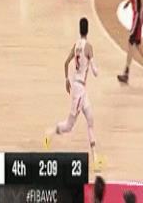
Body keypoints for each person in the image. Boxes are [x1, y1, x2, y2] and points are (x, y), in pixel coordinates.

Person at [44, 18, 102, 171]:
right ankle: (50, 133)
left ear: (79, 29)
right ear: (88, 30)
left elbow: (65, 63)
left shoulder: (76, 45)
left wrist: (66, 79)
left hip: (79, 87)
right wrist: (94, 66)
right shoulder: (88, 47)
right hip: (79, 90)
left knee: (90, 119)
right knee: (69, 126)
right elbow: (95, 72)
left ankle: (96, 158)